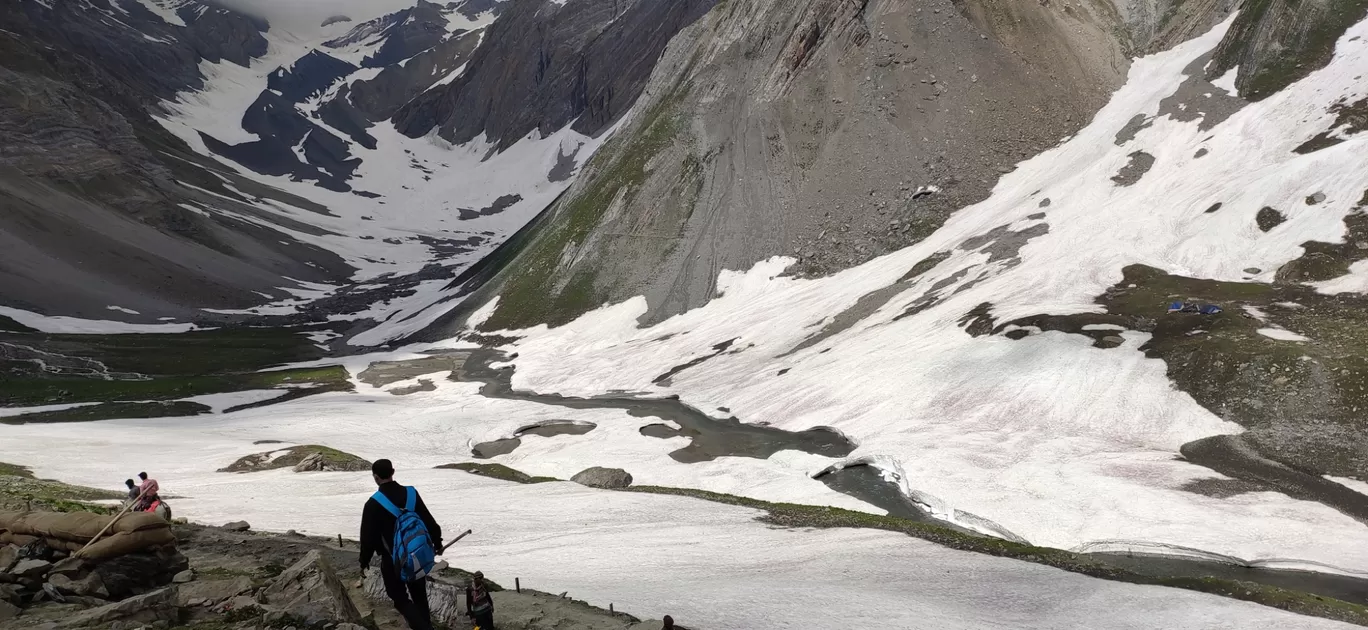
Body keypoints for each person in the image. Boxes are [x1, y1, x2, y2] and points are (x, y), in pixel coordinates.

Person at [360, 459, 442, 630]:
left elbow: (368, 537)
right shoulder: (411, 493)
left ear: (375, 477)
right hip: (417, 555)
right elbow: (428, 520)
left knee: (400, 598)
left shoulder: (373, 504)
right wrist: (437, 542)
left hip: (392, 560)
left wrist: (364, 560)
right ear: (393, 471)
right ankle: (426, 625)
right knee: (420, 596)